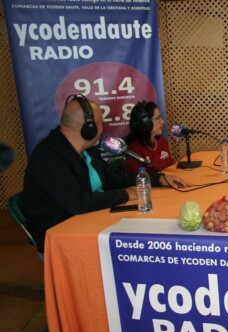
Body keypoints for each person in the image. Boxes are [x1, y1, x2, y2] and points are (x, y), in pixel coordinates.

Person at [23, 94, 189, 254]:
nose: (102, 129)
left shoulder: (87, 151)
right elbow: (77, 203)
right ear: (89, 128)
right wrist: (125, 194)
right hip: (61, 236)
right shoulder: (49, 157)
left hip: (89, 220)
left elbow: (115, 178)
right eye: (101, 124)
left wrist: (157, 179)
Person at [125, 101, 173, 173]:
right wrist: (158, 178)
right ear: (146, 123)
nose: (162, 122)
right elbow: (138, 178)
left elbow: (171, 169)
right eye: (158, 118)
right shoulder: (134, 150)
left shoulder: (162, 142)